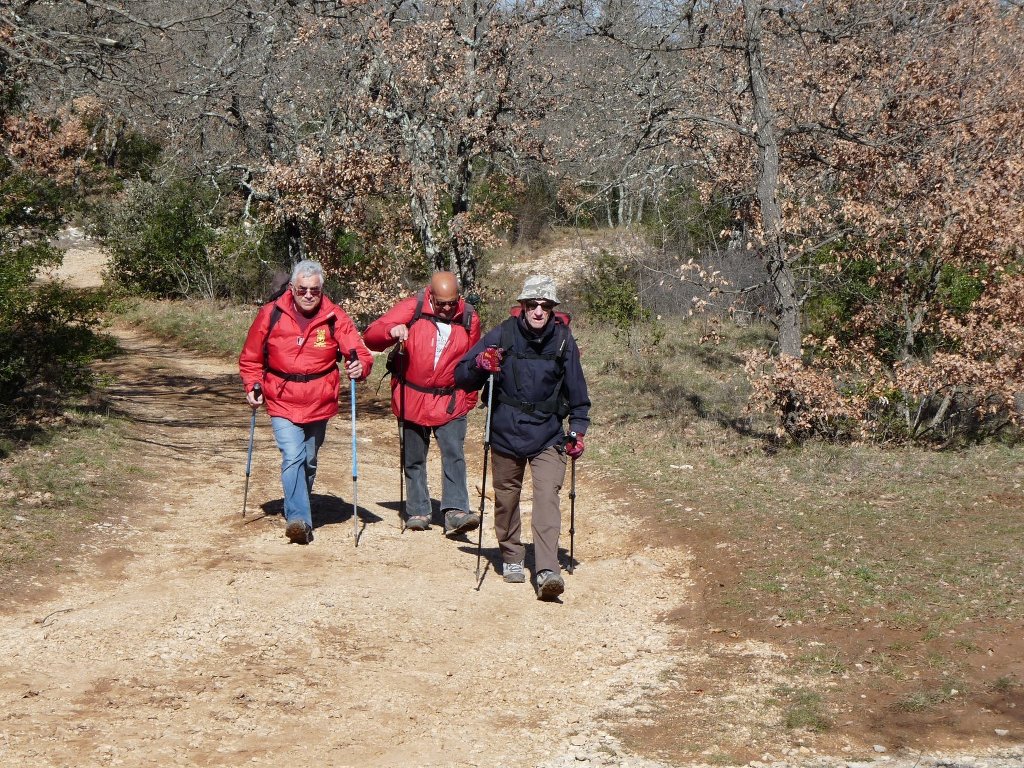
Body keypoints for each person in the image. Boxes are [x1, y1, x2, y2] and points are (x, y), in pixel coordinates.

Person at [455, 274, 590, 600]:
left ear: (553, 309)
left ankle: (547, 571)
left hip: (548, 435)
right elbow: (462, 376)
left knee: (547, 497)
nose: (539, 311)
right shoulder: (502, 334)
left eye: (545, 306)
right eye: (533, 305)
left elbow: (579, 396)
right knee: (507, 498)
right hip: (505, 432)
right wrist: (480, 363)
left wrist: (577, 431)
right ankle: (512, 554)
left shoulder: (562, 340)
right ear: (523, 307)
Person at [239, 260, 373, 545]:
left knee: (309, 461)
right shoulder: (270, 314)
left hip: (319, 400)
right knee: (293, 455)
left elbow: (358, 352)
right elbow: (251, 357)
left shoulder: (335, 317)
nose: (309, 295)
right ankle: (298, 518)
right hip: (281, 396)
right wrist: (253, 384)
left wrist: (359, 366)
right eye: (303, 289)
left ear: (321, 288)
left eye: (314, 289)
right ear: (292, 288)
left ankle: (298, 503)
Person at [363, 271, 482, 534]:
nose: (447, 309)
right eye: (441, 304)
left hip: (451, 399)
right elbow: (370, 336)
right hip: (412, 396)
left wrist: (469, 398)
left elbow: (473, 363)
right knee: (414, 457)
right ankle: (418, 510)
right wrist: (390, 332)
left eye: (452, 303)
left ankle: (456, 512)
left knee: (454, 455)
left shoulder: (470, 318)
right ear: (431, 296)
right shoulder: (412, 307)